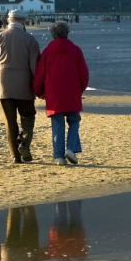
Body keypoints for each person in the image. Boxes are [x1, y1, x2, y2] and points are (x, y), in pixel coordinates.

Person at [0, 9, 41, 164]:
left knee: (10, 121)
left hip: (3, 83)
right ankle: (24, 143)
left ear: (8, 21)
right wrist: (38, 86)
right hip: (24, 84)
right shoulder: (30, 40)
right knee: (28, 116)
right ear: (24, 21)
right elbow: (35, 66)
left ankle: (14, 155)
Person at [33, 21, 89, 166]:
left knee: (57, 124)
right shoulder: (76, 50)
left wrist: (39, 92)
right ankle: (70, 149)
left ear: (53, 34)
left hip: (54, 93)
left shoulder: (47, 51)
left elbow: (40, 74)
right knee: (74, 121)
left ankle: (59, 156)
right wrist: (79, 89)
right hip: (72, 91)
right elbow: (84, 74)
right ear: (67, 33)